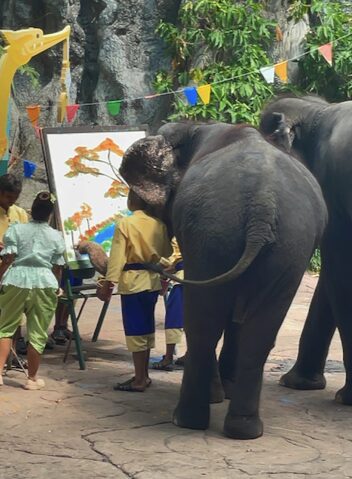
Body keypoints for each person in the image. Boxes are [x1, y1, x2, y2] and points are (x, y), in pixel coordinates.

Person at [97, 189, 172, 392]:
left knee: (136, 331)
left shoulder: (126, 224)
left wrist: (107, 283)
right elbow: (167, 253)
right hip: (152, 281)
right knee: (146, 329)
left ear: (132, 200)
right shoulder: (159, 224)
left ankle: (139, 379)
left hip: (133, 282)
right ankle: (143, 375)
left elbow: (117, 258)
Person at [0, 191, 65, 390]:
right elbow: (57, 266)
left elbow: (8, 257)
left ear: (31, 211)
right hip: (44, 282)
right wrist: (57, 286)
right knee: (38, 331)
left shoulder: (16, 230)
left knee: (5, 328)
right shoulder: (56, 236)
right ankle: (32, 378)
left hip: (16, 278)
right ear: (50, 215)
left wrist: (1, 275)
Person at [0, 173, 29, 356]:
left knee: (17, 312)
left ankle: (13, 350)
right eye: (9, 197)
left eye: (15, 198)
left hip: (15, 270)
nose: (12, 201)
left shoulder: (20, 213)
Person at [152, 238, 184, 371]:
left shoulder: (174, 238)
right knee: (195, 322)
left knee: (174, 320)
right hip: (200, 281)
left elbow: (172, 261)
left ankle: (168, 357)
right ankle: (191, 355)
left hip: (182, 282)